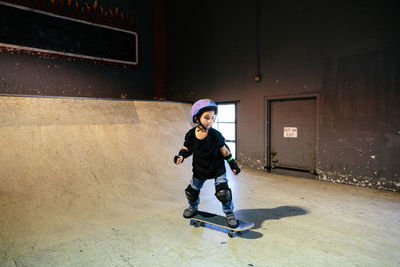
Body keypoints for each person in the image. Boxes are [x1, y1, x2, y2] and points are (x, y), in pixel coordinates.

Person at [174, 99, 241, 228]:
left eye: (213, 118)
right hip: (200, 170)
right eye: (207, 118)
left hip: (217, 169)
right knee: (191, 192)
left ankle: (229, 213)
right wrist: (181, 156)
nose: (211, 121)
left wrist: (233, 165)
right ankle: (193, 207)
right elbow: (186, 148)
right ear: (197, 118)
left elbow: (225, 152)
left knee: (223, 192)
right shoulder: (191, 135)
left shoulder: (215, 135)